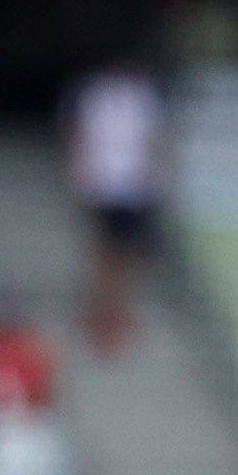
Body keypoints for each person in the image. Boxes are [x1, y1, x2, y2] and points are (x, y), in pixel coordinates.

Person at [62, 56, 169, 353]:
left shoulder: (142, 96)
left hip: (132, 185)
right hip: (103, 183)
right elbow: (82, 137)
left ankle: (117, 306)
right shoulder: (96, 95)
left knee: (127, 252)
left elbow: (152, 140)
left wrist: (155, 178)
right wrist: (80, 176)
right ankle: (98, 306)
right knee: (103, 250)